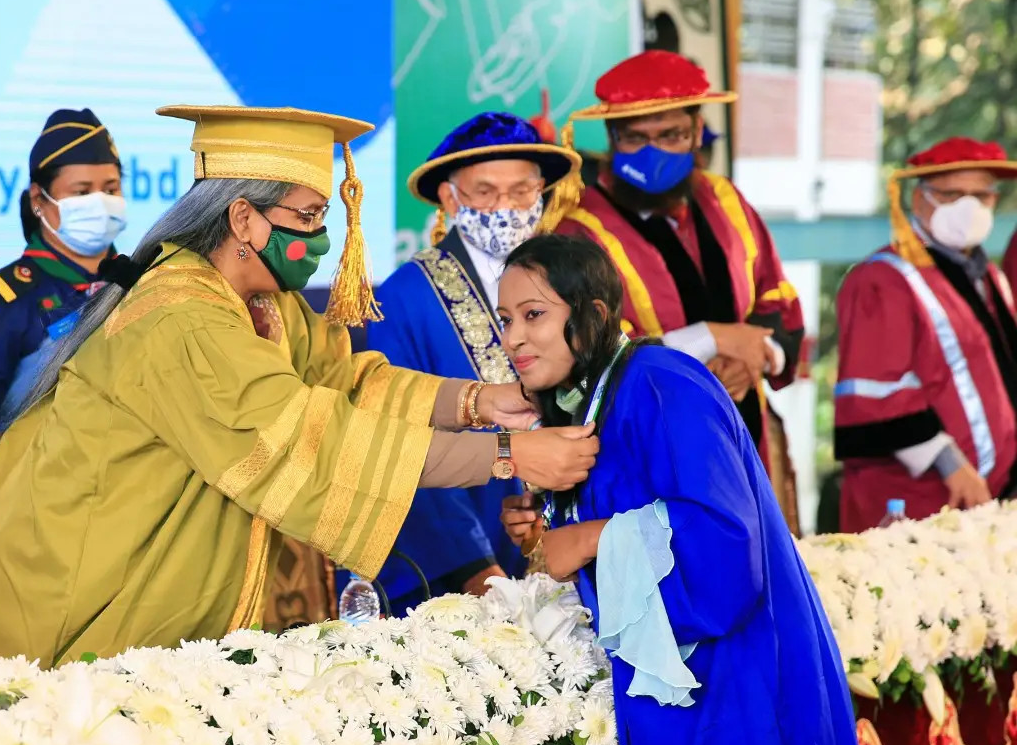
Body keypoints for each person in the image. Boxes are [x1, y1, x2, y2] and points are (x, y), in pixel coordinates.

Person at [0, 104, 601, 681]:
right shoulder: (183, 316)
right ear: (243, 218)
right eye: (307, 215)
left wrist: (478, 402)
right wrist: (508, 454)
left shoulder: (264, 303)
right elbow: (312, 438)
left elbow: (345, 382)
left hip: (127, 581)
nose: (322, 236)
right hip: (61, 592)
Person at [497, 235, 893, 745]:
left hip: (738, 685)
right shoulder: (589, 402)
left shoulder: (662, 382)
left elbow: (724, 545)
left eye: (534, 315)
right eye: (506, 319)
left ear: (592, 314)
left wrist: (586, 539)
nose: (514, 338)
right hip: (683, 694)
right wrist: (546, 532)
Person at [361, 111, 581, 613]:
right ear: (449, 197)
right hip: (467, 565)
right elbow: (397, 436)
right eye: (485, 192)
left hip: (572, 543)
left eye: (522, 191)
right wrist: (474, 569)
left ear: (542, 192)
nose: (505, 208)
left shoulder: (572, 279)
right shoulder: (404, 299)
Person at [556, 51, 804, 466]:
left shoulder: (724, 199)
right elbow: (588, 358)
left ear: (697, 131)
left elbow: (774, 294)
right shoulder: (576, 231)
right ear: (612, 136)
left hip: (743, 438)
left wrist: (756, 358)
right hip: (648, 451)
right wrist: (710, 338)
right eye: (635, 137)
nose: (653, 153)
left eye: (671, 135)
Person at [834, 138, 1017, 531]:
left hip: (988, 503)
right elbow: (874, 393)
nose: (969, 207)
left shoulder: (990, 278)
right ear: (919, 201)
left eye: (981, 196)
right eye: (952, 195)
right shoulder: (883, 279)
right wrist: (950, 463)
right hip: (918, 502)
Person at [0, 108, 126, 470]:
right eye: (82, 192)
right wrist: (55, 462)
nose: (100, 203)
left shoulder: (145, 282)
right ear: (39, 201)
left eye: (111, 189)